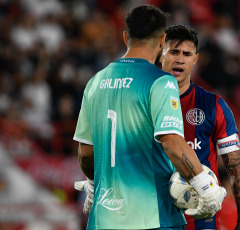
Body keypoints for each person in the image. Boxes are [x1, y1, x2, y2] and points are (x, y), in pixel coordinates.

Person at [73, 5, 226, 230]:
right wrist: (205, 186)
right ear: (163, 40)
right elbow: (172, 143)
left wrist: (94, 184)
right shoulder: (161, 81)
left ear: (126, 36)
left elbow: (86, 152)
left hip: (104, 219)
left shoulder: (95, 82)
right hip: (152, 218)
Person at [159, 25, 240, 230]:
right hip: (151, 216)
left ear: (195, 59)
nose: (180, 59)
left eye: (187, 53)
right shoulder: (141, 102)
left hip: (201, 220)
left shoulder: (213, 105)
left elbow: (236, 165)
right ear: (160, 54)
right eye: (173, 52)